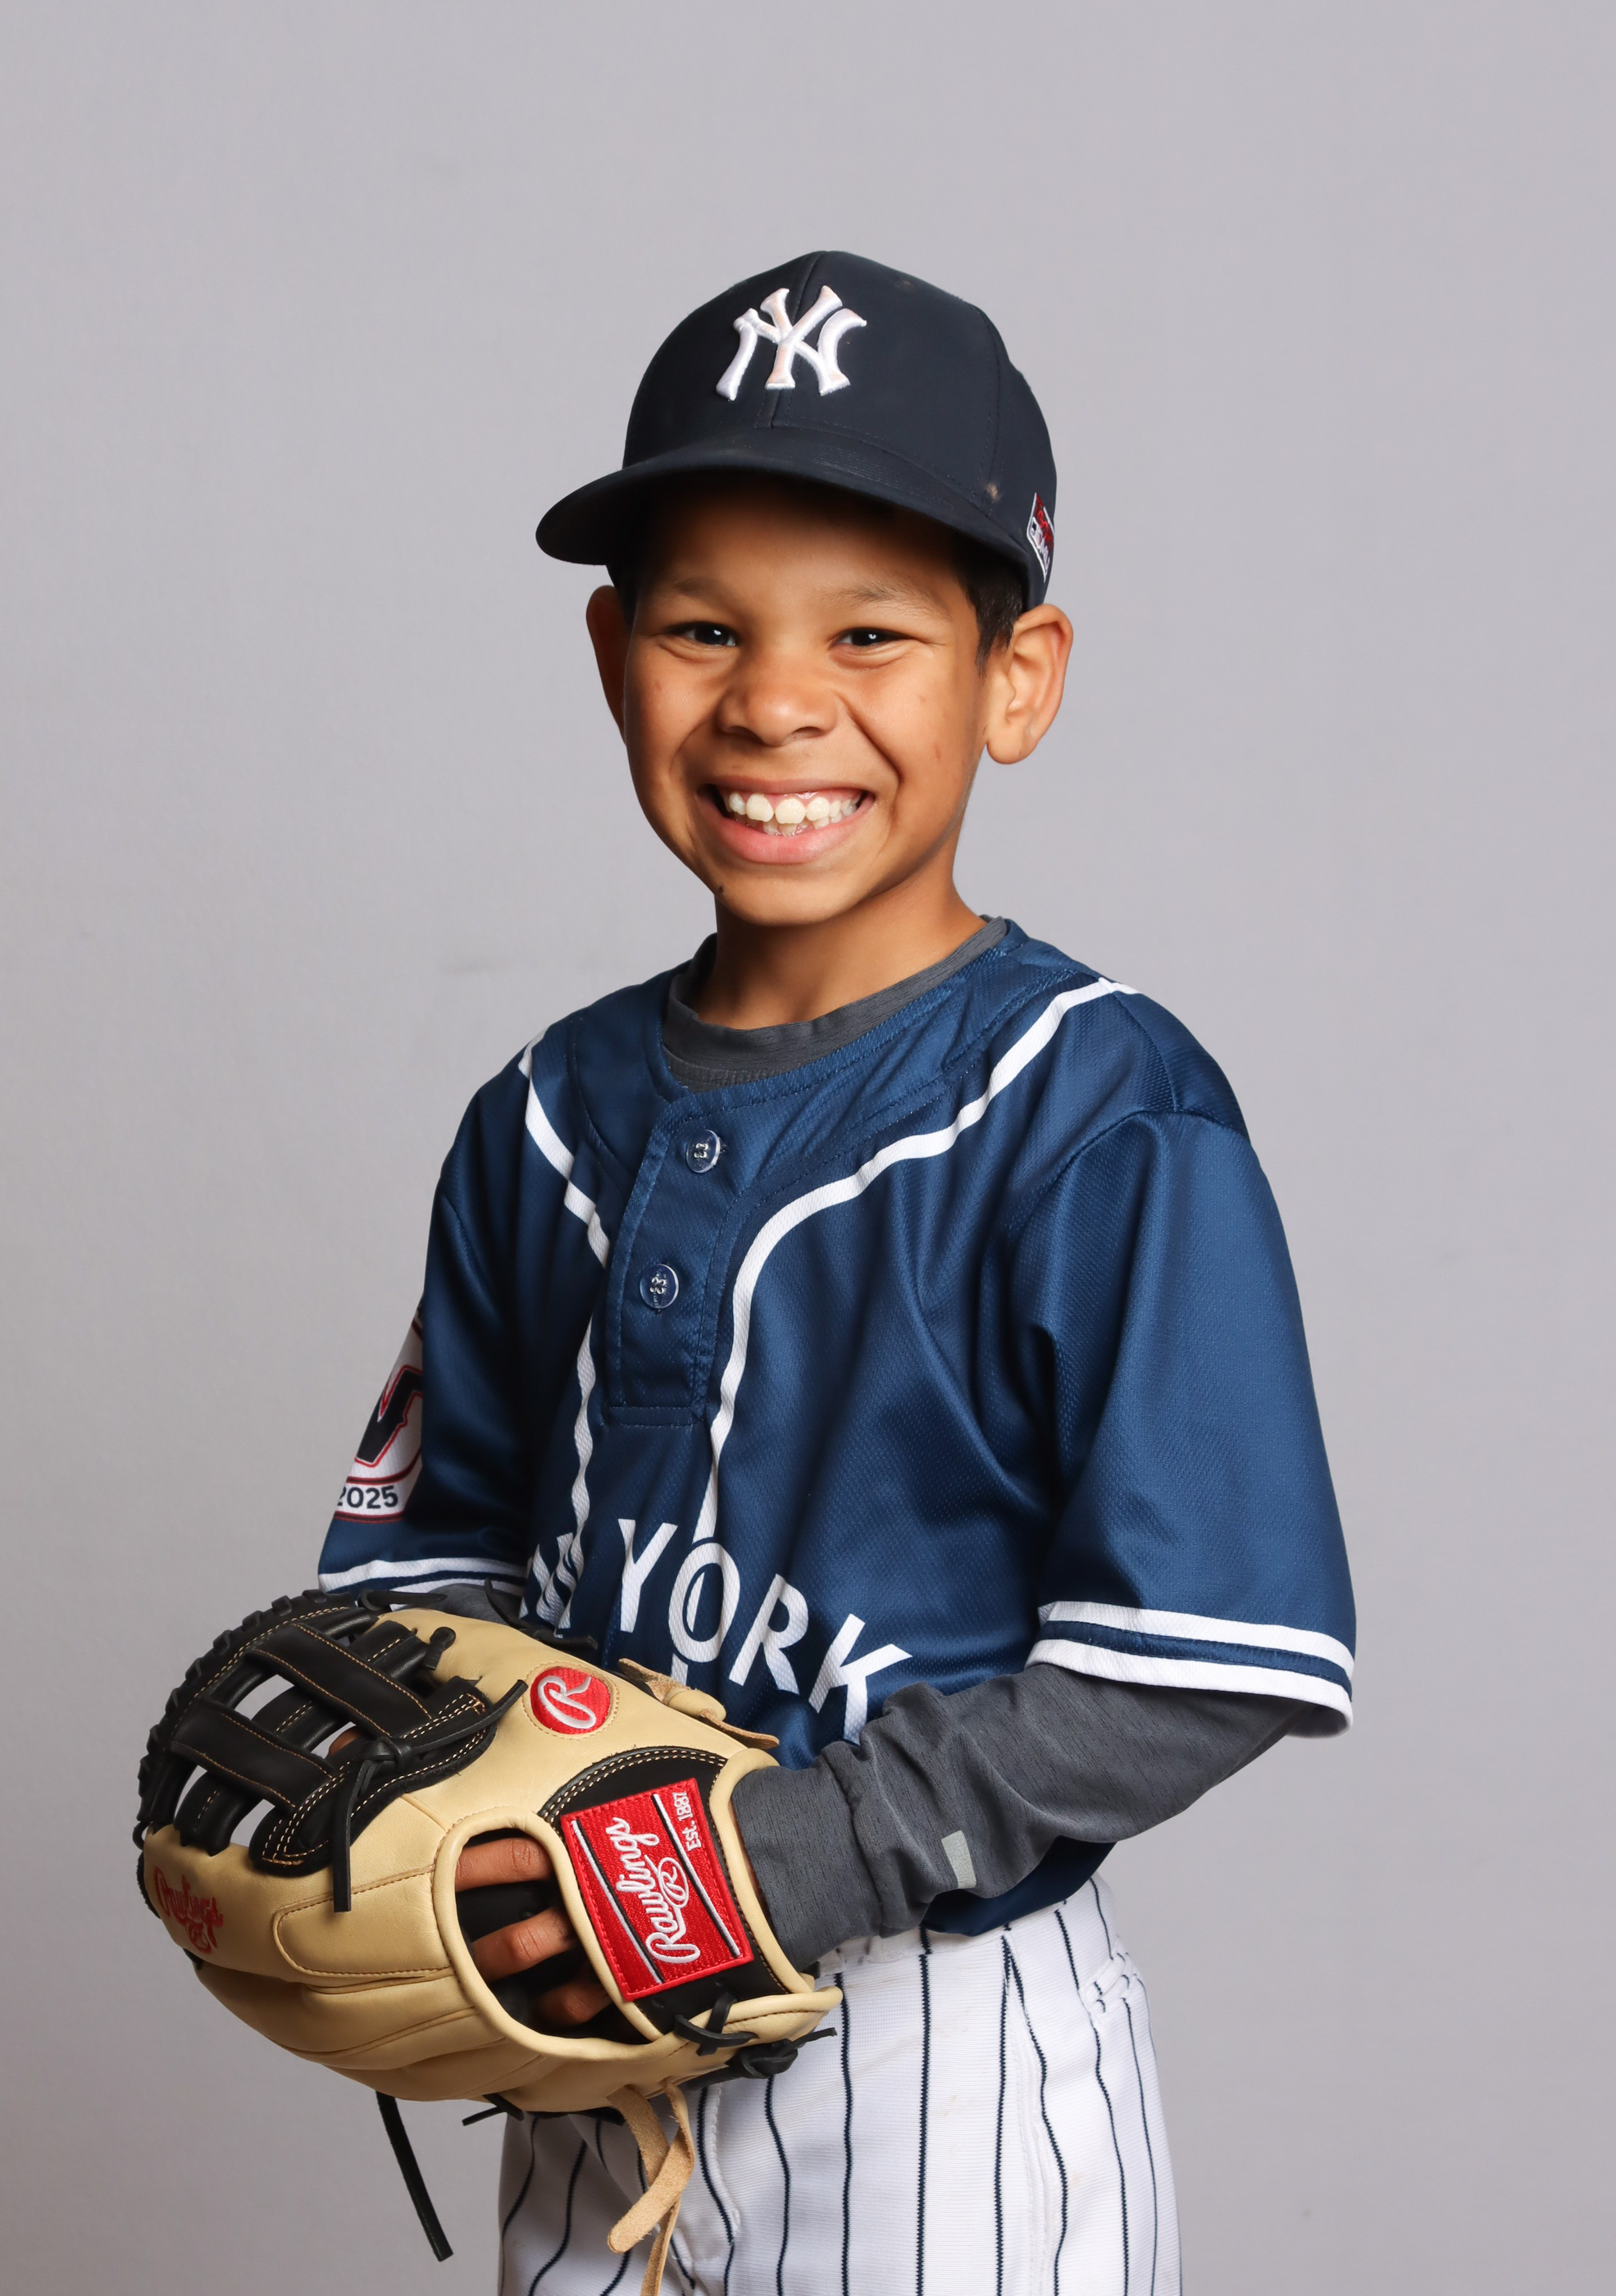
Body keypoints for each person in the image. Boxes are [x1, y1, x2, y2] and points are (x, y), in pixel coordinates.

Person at [316, 250, 1354, 2295]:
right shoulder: (542, 1116)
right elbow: (431, 1569)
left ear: (1016, 677)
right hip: (582, 2036)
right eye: (704, 626)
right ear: (612, 656)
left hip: (930, 2051)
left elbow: (1204, 1658)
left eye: (868, 631)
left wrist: (764, 1860)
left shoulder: (1094, 1107)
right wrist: (408, 1811)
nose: (775, 700)